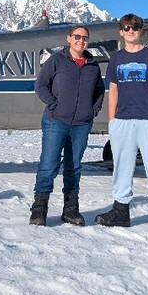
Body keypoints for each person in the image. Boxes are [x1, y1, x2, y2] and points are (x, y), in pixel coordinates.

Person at [96, 13, 148, 239]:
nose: (131, 31)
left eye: (135, 27)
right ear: (121, 31)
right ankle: (121, 212)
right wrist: (112, 120)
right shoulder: (116, 59)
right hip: (122, 122)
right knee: (121, 167)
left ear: (140, 31)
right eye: (127, 27)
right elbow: (113, 90)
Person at [30, 24, 105, 226]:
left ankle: (70, 210)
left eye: (85, 38)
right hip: (56, 121)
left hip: (81, 124)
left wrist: (92, 112)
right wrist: (54, 105)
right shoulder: (56, 60)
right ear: (69, 38)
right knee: (48, 165)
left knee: (74, 166)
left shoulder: (92, 64)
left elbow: (99, 91)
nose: (81, 41)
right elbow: (40, 85)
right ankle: (39, 209)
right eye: (77, 37)